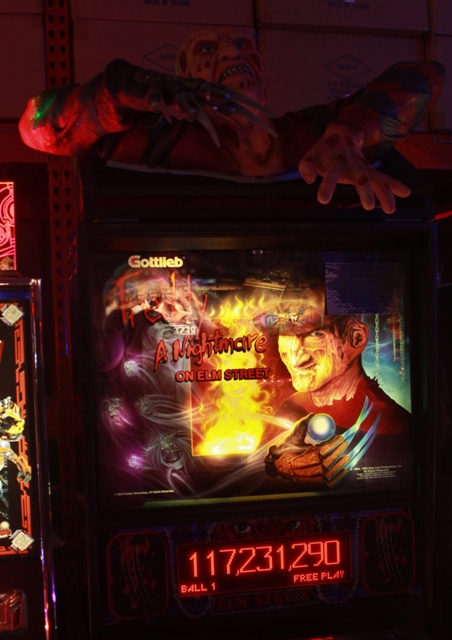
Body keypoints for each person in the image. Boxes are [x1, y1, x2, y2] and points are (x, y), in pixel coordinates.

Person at [18, 27, 445, 214]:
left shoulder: (314, 135)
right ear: (184, 75)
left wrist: (352, 133)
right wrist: (109, 94)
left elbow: (427, 74)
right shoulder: (155, 142)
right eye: (208, 50)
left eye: (242, 44)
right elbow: (35, 127)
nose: (232, 52)